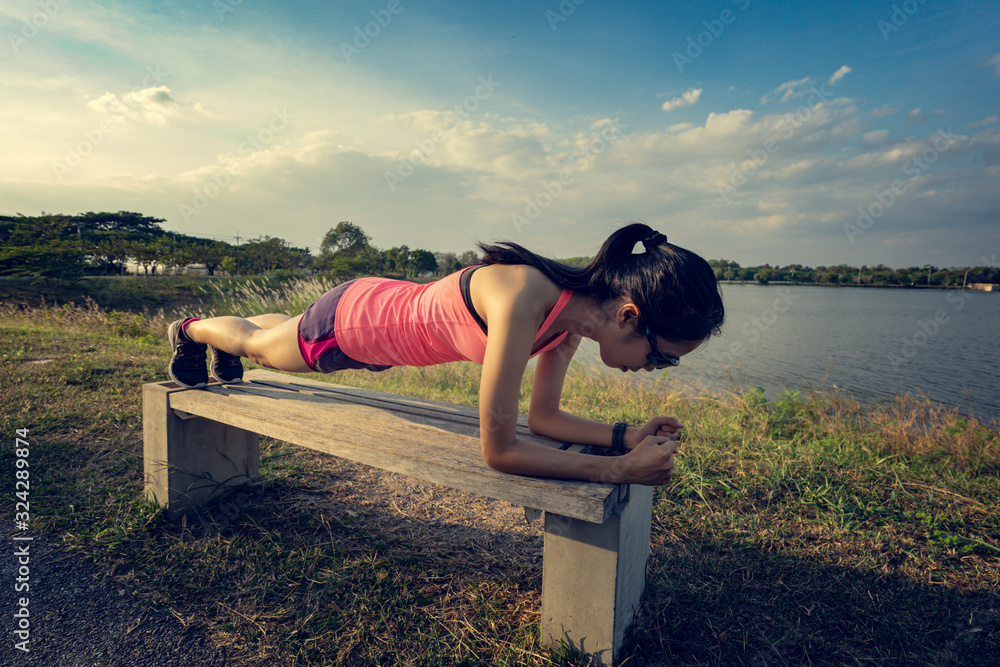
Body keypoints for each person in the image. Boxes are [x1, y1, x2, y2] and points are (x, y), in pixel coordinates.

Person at [167, 223, 724, 485]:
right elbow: (500, 450)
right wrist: (620, 471)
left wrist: (626, 436)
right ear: (629, 316)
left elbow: (543, 419)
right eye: (663, 358)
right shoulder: (524, 299)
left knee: (273, 335)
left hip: (378, 325)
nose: (652, 370)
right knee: (258, 346)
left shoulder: (569, 320)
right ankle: (191, 331)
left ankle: (225, 337)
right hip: (353, 323)